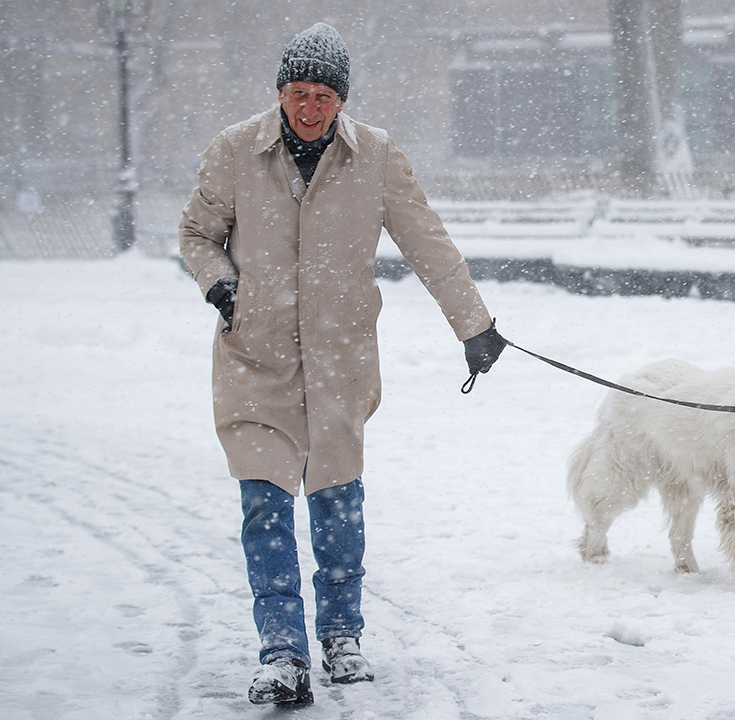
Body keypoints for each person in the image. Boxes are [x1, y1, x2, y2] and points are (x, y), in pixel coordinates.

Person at [178, 22, 505, 707]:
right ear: (280, 93)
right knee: (264, 506)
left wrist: (474, 325)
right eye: (299, 93)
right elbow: (197, 234)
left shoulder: (377, 158)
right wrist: (221, 287)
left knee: (337, 502)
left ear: (342, 100)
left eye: (324, 96)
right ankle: (281, 650)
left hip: (339, 359)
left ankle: (342, 635)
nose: (310, 108)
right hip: (256, 356)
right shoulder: (236, 152)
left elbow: (429, 245)